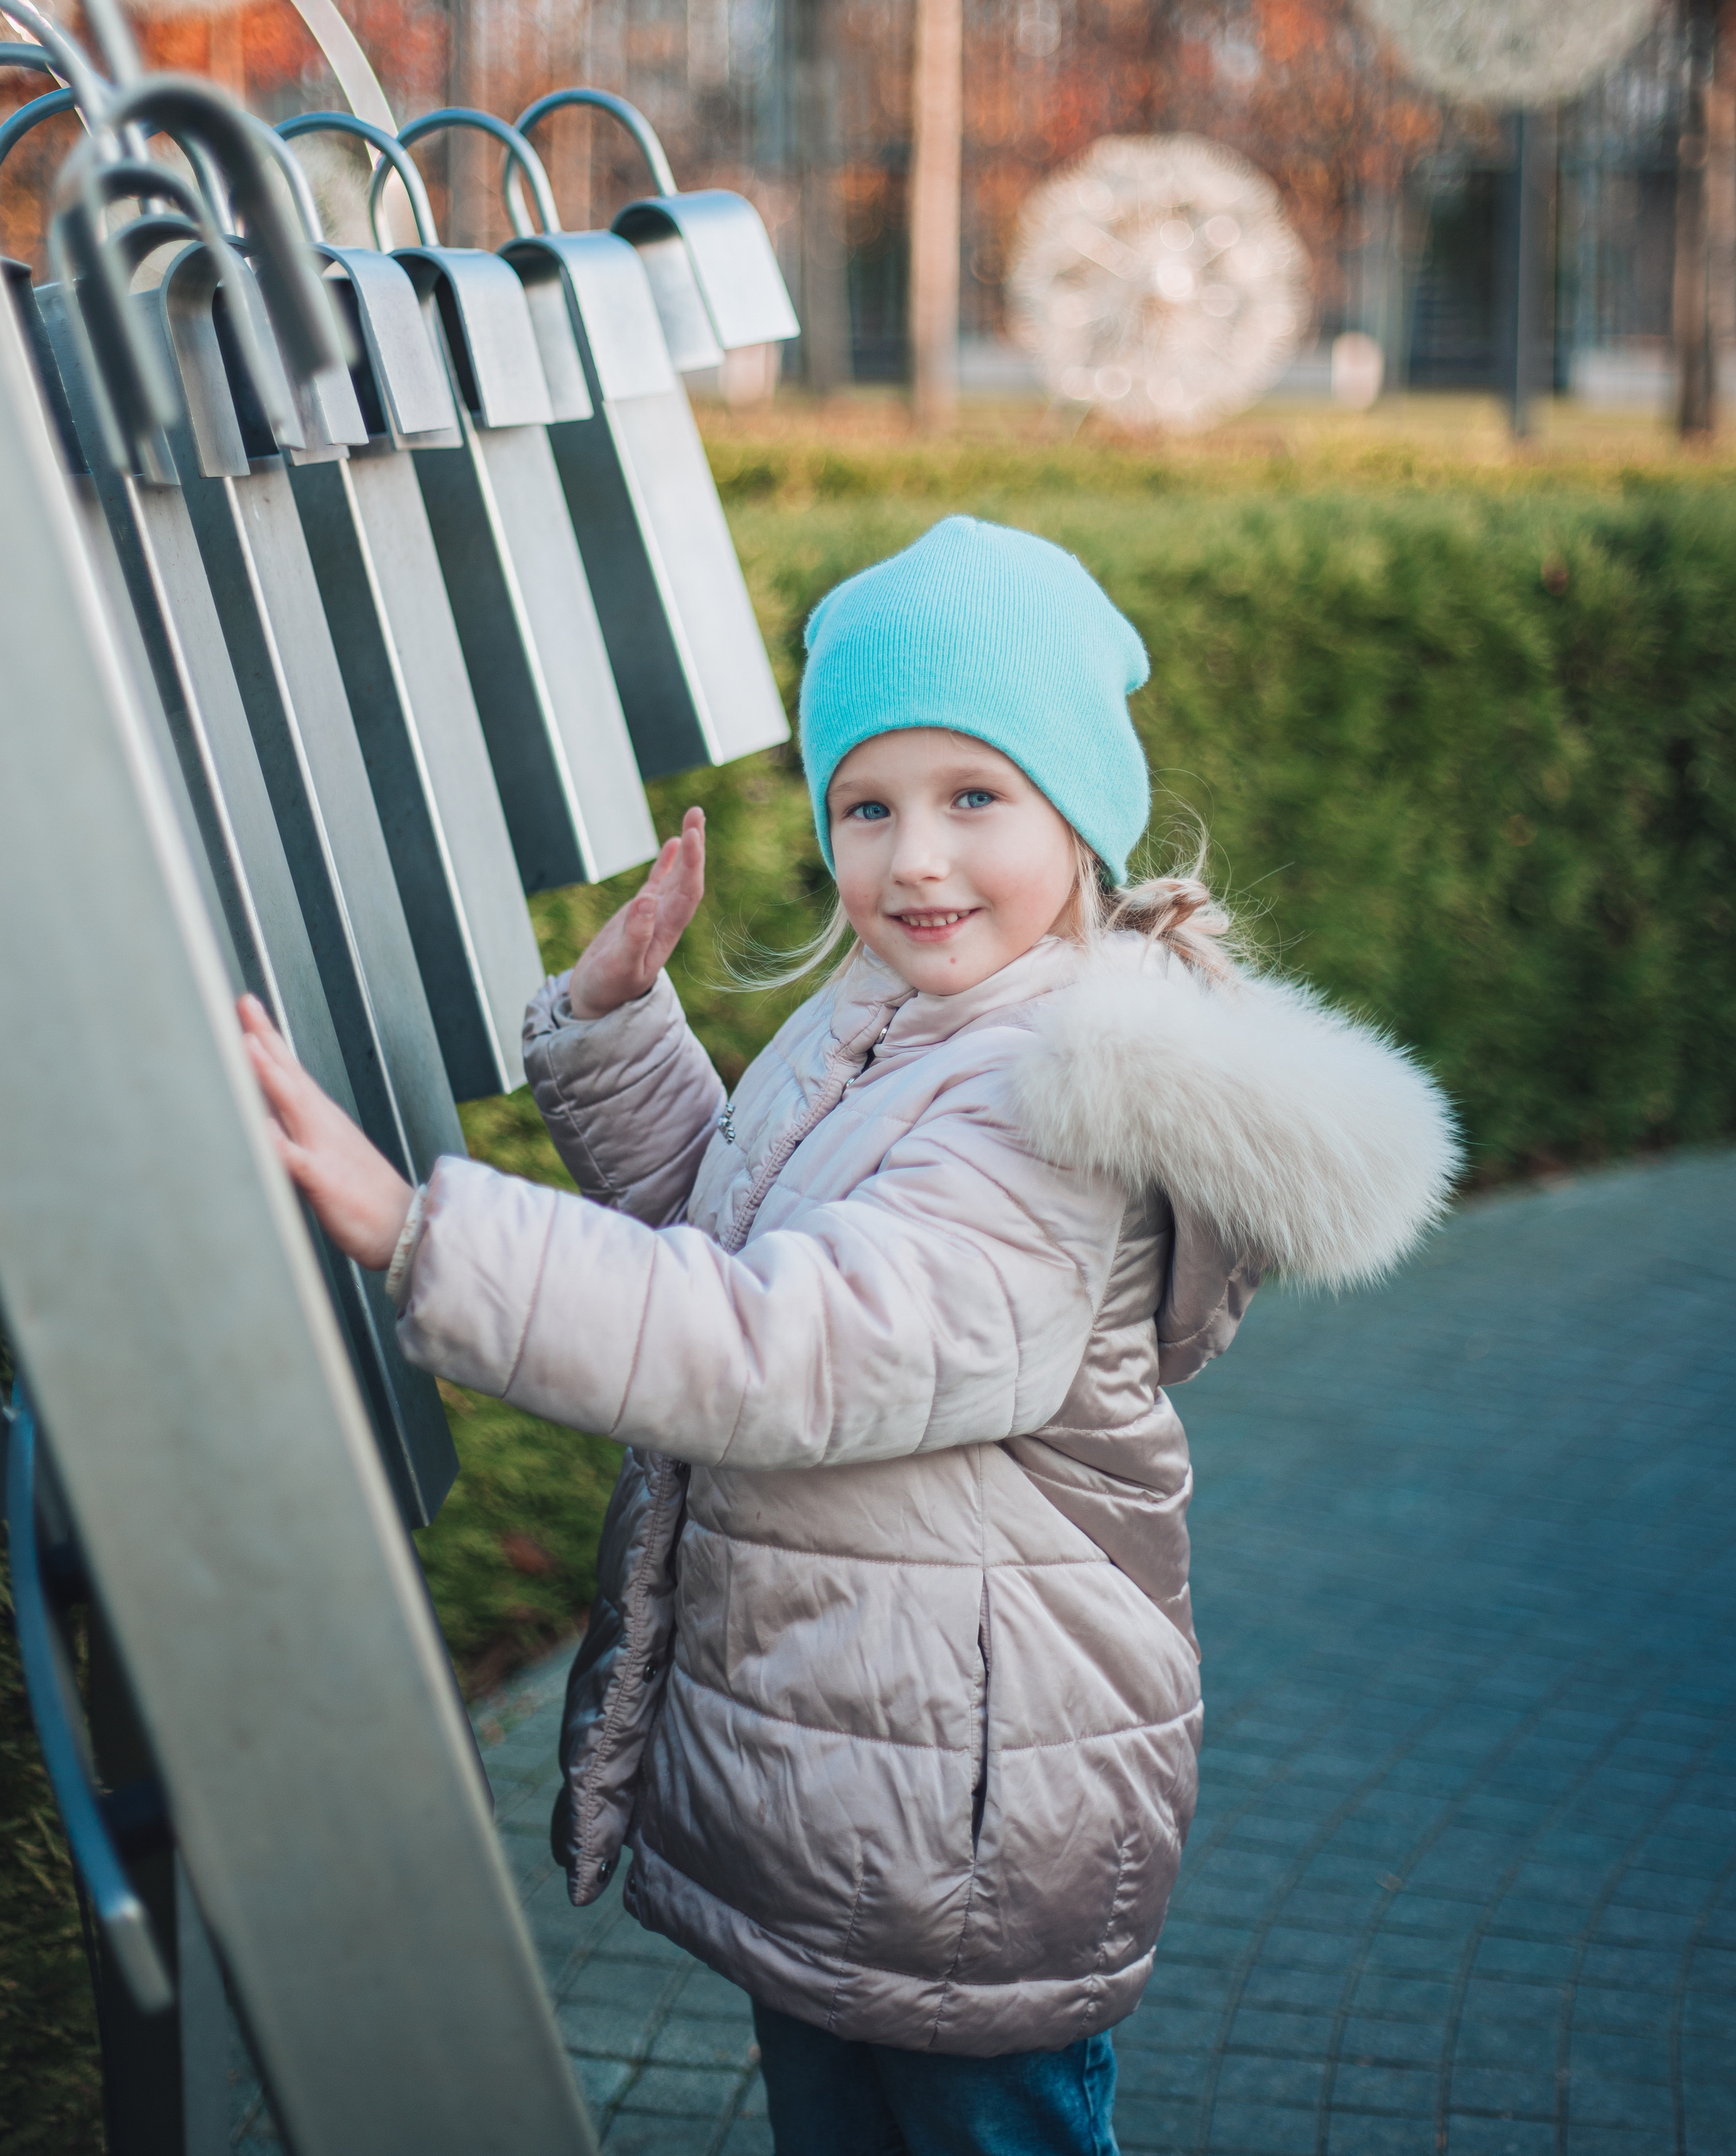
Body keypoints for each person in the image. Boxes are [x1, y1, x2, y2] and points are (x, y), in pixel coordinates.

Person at [241, 516, 1459, 2156]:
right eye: (866, 807)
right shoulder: (893, 1021)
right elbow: (746, 1236)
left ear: (1078, 817)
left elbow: (777, 1348)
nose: (915, 862)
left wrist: (419, 1231)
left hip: (961, 1829)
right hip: (852, 1789)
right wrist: (611, 1034)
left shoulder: (1055, 1110)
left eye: (975, 798)